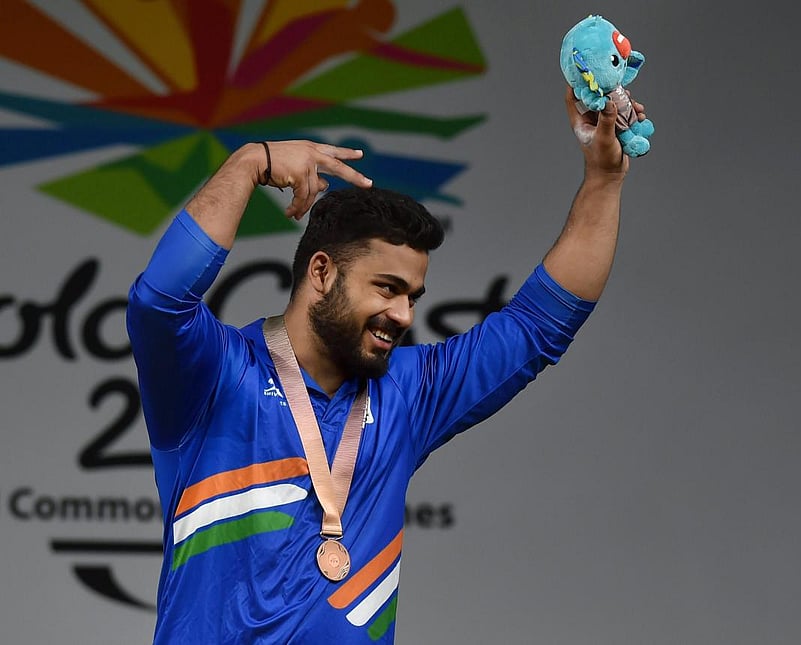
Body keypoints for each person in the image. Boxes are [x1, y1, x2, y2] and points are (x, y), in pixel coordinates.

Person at [127, 90, 645, 644]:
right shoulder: (212, 376)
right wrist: (249, 163)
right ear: (321, 272)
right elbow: (159, 301)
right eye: (387, 289)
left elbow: (539, 325)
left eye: (414, 296)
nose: (403, 315)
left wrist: (604, 180)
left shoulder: (410, 392)